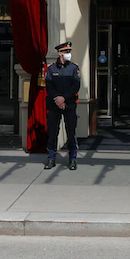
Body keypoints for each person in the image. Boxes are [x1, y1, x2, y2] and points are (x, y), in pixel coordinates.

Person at [44, 40, 81, 170]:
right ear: (60, 53)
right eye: (66, 51)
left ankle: (72, 159)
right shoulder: (51, 68)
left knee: (71, 133)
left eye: (69, 51)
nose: (68, 54)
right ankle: (51, 158)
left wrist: (64, 98)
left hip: (69, 105)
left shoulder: (74, 68)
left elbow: (75, 86)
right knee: (52, 132)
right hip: (54, 105)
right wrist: (58, 100)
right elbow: (49, 86)